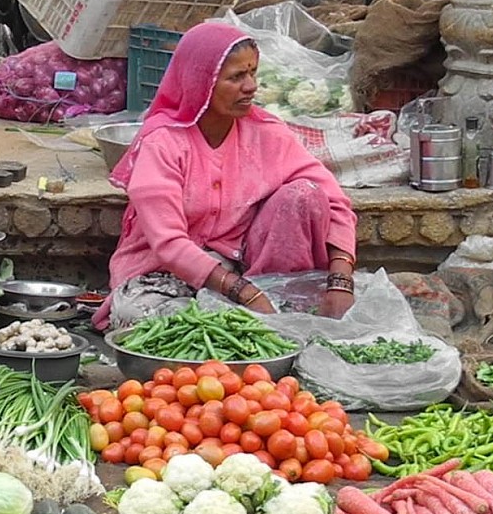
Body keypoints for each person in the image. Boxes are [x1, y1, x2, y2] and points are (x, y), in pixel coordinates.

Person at [104, 18, 359, 330]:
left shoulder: (266, 134)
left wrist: (340, 279)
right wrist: (244, 293)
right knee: (141, 319)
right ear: (203, 83)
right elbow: (168, 243)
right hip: (162, 274)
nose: (251, 86)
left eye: (253, 72)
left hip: (242, 265)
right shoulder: (163, 144)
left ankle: (267, 310)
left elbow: (335, 202)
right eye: (237, 77)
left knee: (303, 195)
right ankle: (252, 320)